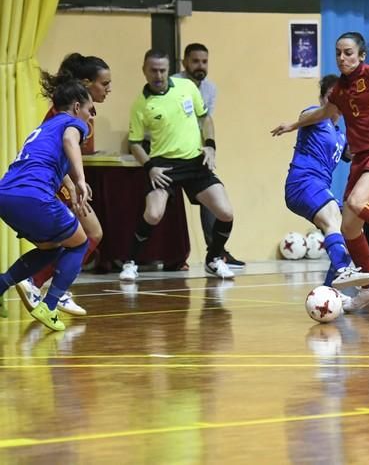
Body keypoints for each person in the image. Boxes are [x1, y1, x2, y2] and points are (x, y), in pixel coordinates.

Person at [272, 32, 369, 311]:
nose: (342, 58)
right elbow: (321, 113)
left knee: (356, 201)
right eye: (338, 53)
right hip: (362, 158)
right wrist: (292, 125)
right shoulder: (339, 91)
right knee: (349, 226)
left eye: (348, 53)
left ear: (362, 55)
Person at [120, 49, 235, 281]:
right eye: (153, 70)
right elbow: (135, 144)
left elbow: (205, 118)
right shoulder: (141, 105)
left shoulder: (187, 88)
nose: (158, 75)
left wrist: (210, 145)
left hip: (194, 162)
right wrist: (150, 167)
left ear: (168, 70)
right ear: (144, 70)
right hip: (164, 166)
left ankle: (213, 259)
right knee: (153, 214)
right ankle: (130, 262)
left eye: (162, 70)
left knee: (225, 212)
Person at [15, 53, 112, 317]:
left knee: (83, 236)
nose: (108, 89)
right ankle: (42, 285)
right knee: (89, 234)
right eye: (104, 84)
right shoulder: (64, 114)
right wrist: (73, 184)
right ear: (86, 84)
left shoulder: (78, 111)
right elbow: (56, 151)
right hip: (54, 182)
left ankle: (47, 284)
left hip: (55, 181)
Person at [0, 73, 94, 331]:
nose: (91, 116)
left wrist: (70, 186)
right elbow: (69, 142)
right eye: (89, 109)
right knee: (80, 243)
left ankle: (1, 285)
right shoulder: (74, 125)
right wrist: (82, 180)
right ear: (77, 107)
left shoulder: (44, 127)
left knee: (51, 247)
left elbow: (50, 161)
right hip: (34, 195)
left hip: (6, 195)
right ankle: (50, 305)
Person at [281, 74, 369, 295]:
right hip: (302, 182)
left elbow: (356, 154)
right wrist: (292, 125)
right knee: (333, 218)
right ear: (323, 98)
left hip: (317, 187)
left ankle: (330, 291)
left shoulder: (340, 135)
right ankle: (343, 271)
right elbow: (305, 116)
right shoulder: (314, 115)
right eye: (333, 96)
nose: (338, 101)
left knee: (349, 229)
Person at [174, 42, 245, 269]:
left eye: (204, 62)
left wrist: (209, 146)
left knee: (212, 200)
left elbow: (205, 120)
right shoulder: (174, 83)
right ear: (184, 62)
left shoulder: (210, 88)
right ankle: (169, 257)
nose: (200, 66)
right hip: (171, 151)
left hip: (197, 152)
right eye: (195, 61)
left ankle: (216, 251)